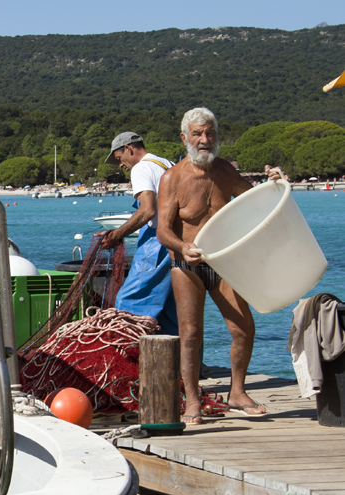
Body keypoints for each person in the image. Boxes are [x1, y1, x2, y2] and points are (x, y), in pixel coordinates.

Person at [156, 107, 282, 424]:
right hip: (187, 265)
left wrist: (275, 183)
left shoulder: (225, 171)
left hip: (225, 262)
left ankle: (237, 393)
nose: (204, 139)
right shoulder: (172, 179)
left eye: (210, 133)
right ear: (184, 138)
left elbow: (257, 202)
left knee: (243, 329)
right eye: (197, 134)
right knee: (191, 334)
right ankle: (193, 402)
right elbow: (162, 230)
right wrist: (183, 246)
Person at [98, 132, 178, 334]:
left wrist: (116, 235)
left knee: (129, 304)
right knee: (171, 311)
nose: (121, 166)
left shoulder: (141, 168)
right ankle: (185, 364)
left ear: (129, 149)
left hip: (158, 243)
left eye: (119, 159)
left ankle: (128, 360)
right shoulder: (166, 164)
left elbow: (147, 210)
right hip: (178, 242)